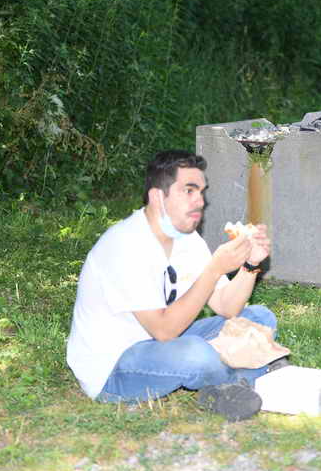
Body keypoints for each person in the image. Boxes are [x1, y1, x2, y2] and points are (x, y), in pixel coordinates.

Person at [67, 150, 280, 421]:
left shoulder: (186, 239)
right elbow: (164, 330)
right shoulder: (125, 245)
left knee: (259, 318)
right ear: (158, 197)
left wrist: (250, 264)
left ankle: (231, 381)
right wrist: (214, 269)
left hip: (165, 343)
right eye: (189, 191)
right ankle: (249, 373)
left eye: (201, 192)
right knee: (196, 354)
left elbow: (227, 307)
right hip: (115, 367)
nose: (200, 201)